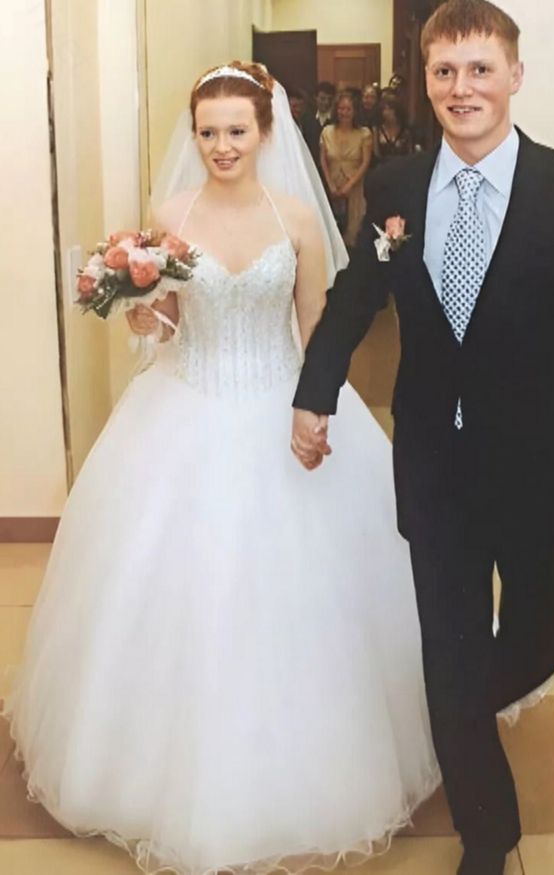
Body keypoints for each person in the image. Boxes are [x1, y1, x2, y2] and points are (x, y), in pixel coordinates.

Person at [3, 61, 440, 875]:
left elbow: (316, 325)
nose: (222, 145)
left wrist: (319, 408)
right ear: (194, 135)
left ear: (265, 131)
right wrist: (143, 314)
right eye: (208, 132)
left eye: (237, 130)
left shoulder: (297, 218)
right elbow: (166, 319)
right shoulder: (171, 215)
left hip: (280, 399)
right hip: (185, 404)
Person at [291, 2, 554, 874]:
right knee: (449, 646)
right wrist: (315, 394)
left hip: (538, 464)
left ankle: (455, 709)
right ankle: (486, 833)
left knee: (548, 614)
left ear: (514, 76)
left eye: (480, 69)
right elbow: (356, 296)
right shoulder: (396, 189)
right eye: (445, 71)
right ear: (426, 81)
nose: (463, 88)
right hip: (434, 461)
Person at [320, 91, 373, 246]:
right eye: (341, 108)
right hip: (331, 185)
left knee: (353, 233)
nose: (344, 112)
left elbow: (365, 162)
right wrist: (331, 185)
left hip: (354, 186)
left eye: (348, 109)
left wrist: (348, 186)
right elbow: (323, 160)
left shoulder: (364, 133)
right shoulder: (327, 131)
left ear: (355, 111)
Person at [373, 96, 415, 162]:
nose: (386, 112)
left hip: (403, 164)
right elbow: (377, 154)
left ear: (397, 111)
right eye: (384, 109)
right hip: (383, 165)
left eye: (390, 109)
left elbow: (410, 153)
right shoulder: (378, 130)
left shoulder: (405, 131)